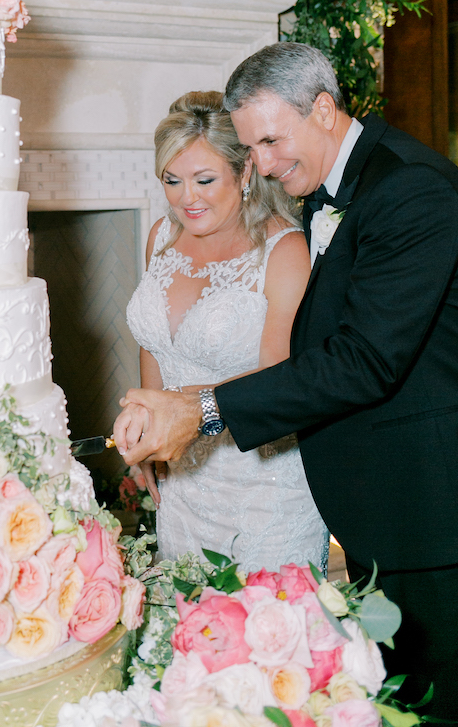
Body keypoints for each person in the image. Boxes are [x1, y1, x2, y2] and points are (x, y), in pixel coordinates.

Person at [114, 43, 458, 716]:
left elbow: (365, 360)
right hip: (376, 504)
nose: (264, 164)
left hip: (429, 506)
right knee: (392, 692)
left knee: (437, 695)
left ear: (324, 110)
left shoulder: (411, 188)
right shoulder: (330, 191)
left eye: (273, 141)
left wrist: (206, 410)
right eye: (252, 147)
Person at [125, 90, 328, 571]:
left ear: (245, 172)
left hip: (261, 489)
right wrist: (146, 439)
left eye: (204, 179)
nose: (185, 198)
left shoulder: (283, 251)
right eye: (172, 181)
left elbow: (278, 385)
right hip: (181, 482)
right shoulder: (160, 236)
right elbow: (153, 345)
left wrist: (184, 413)